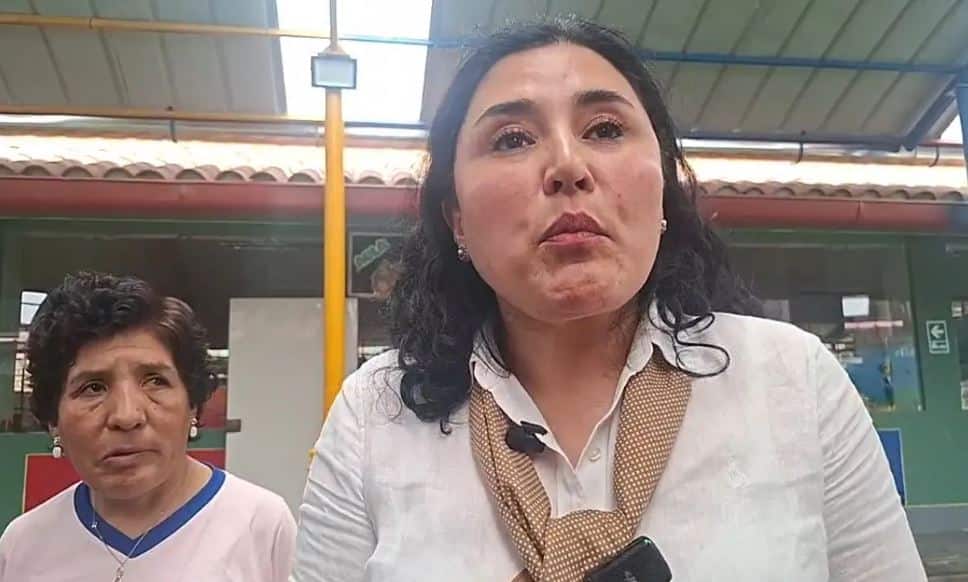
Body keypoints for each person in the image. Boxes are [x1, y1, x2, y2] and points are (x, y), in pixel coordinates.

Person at [291, 19, 926, 582]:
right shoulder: (373, 417)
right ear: (456, 217)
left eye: (605, 128)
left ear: (664, 190)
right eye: (512, 139)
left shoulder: (795, 381)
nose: (567, 165)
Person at [0, 272, 295, 582]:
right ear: (53, 419)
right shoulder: (23, 547)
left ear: (192, 404)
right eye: (93, 387)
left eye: (155, 381)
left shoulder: (261, 526)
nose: (127, 416)